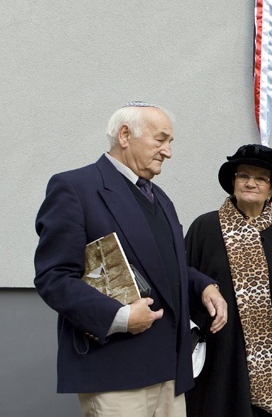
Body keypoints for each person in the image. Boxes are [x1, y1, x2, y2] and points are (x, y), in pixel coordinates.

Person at [34, 101, 228, 416]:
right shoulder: (75, 188)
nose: (168, 152)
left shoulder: (159, 197)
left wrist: (204, 287)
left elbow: (166, 267)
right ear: (125, 135)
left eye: (170, 142)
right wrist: (119, 318)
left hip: (171, 372)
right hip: (116, 372)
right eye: (160, 139)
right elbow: (53, 278)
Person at [185, 144, 272, 417]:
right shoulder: (205, 227)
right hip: (221, 355)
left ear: (271, 189)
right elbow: (184, 280)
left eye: (261, 178)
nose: (251, 183)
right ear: (232, 182)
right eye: (243, 176)